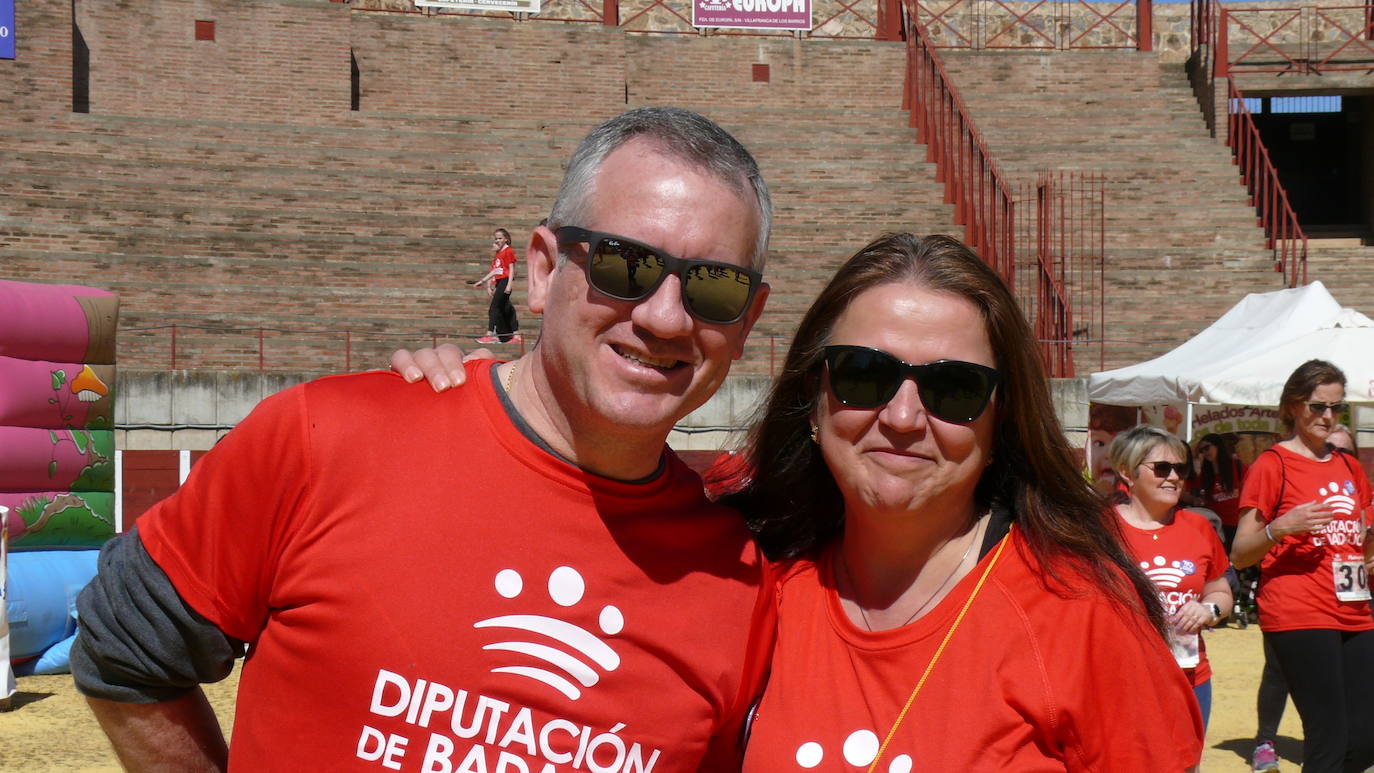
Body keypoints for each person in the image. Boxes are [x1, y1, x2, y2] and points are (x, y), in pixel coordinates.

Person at [71, 107, 776, 771]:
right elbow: (123, 647)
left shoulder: (743, 582)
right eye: (627, 264)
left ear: (747, 321)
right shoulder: (326, 438)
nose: (665, 316)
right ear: (541, 268)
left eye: (714, 288)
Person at [402, 233, 1206, 769]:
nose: (900, 416)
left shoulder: (1081, 611)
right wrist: (462, 400)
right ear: (815, 398)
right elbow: (574, 488)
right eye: (863, 374)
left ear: (1004, 418)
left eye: (954, 388)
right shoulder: (741, 564)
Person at [1232, 359, 1374, 773]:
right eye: (1318, 406)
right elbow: (1240, 553)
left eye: (1336, 407)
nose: (1328, 416)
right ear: (1293, 405)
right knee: (1328, 736)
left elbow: (1361, 542)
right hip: (1299, 611)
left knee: (1365, 738)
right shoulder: (1272, 465)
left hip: (1355, 608)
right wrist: (1280, 527)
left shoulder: (1348, 465)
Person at [1109, 424, 1232, 732]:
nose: (1175, 477)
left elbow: (1221, 591)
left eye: (1180, 468)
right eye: (1162, 468)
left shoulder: (1199, 527)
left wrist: (1209, 609)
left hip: (1188, 676)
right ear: (1127, 472)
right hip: (1118, 679)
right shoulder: (1099, 528)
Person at [1187, 432, 1246, 550]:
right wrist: (1195, 500)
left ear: (1218, 446)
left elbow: (1252, 486)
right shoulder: (1205, 474)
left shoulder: (1237, 465)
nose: (1205, 452)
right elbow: (1184, 488)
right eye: (1201, 450)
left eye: (1207, 447)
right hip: (1218, 527)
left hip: (1240, 525)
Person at [472, 227, 521, 344]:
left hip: (505, 281)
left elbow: (511, 269)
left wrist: (509, 285)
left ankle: (490, 334)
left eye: (500, 238)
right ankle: (515, 336)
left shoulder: (508, 251)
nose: (497, 240)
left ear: (506, 239)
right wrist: (484, 282)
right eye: (496, 238)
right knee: (507, 308)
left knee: (494, 308)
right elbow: (494, 271)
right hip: (500, 282)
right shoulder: (499, 254)